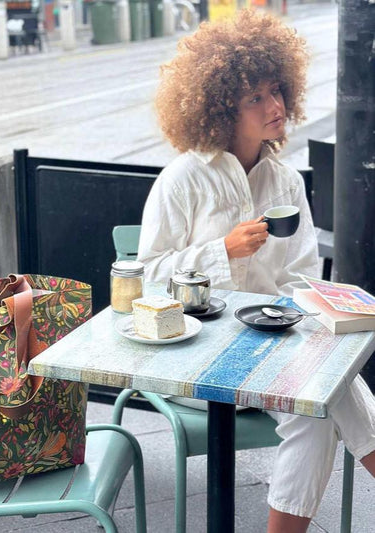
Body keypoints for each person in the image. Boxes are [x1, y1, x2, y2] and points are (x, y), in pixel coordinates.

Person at [137, 9, 375, 533]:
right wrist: (220, 251)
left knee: (322, 404)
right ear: (221, 109)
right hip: (196, 352)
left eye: (277, 91)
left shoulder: (286, 181)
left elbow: (302, 274)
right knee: (333, 390)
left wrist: (330, 306)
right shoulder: (184, 180)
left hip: (274, 345)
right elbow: (148, 275)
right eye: (256, 98)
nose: (276, 107)